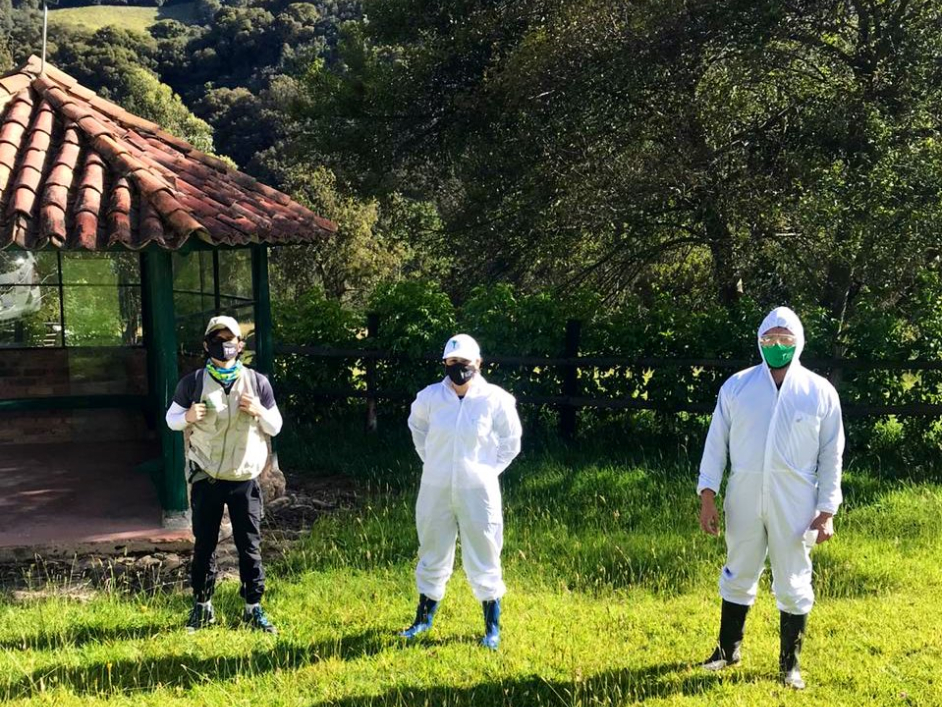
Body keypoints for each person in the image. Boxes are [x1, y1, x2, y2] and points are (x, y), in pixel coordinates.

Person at [697, 306, 844, 690]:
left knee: (794, 578)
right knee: (737, 568)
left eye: (785, 339)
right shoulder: (737, 387)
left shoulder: (818, 392)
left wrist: (826, 510)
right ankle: (727, 649)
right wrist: (708, 494)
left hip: (795, 501)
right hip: (744, 496)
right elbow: (716, 445)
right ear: (759, 341)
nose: (776, 346)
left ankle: (789, 665)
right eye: (769, 339)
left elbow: (832, 453)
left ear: (799, 343)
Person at [400, 334, 523, 650]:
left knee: (484, 551)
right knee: (432, 549)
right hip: (435, 487)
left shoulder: (496, 399)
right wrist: (436, 462)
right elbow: (418, 431)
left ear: (478, 363)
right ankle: (423, 619)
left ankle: (491, 627)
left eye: (465, 363)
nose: (459, 369)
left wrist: (484, 471)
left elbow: (511, 443)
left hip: (478, 492)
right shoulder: (429, 398)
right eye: (453, 363)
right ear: (445, 363)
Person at [165, 316, 284, 634]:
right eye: (217, 339)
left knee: (250, 546)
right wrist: (188, 415)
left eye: (230, 339)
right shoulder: (192, 383)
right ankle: (202, 608)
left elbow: (276, 426)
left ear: (241, 345)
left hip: (245, 480)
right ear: (206, 345)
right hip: (208, 478)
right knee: (204, 545)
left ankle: (253, 608)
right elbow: (172, 419)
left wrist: (258, 411)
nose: (225, 345)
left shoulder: (257, 383)